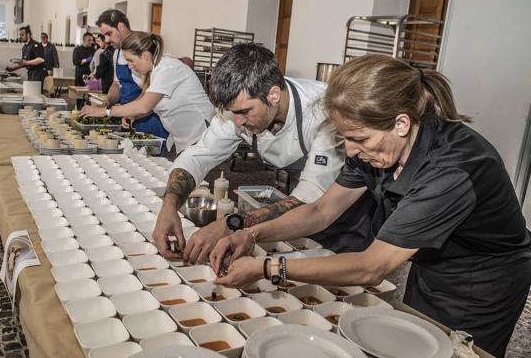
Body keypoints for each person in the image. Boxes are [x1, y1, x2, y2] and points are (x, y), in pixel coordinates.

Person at [210, 54, 531, 358]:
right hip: (431, 261)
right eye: (344, 137)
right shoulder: (376, 145)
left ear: (401, 124)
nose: (350, 150)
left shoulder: (451, 171)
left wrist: (268, 268)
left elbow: (371, 267)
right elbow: (322, 211)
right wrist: (251, 234)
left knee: (455, 348)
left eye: (358, 139)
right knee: (413, 342)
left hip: (482, 278)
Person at [152, 43, 376, 264]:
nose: (237, 122)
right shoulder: (237, 110)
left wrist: (231, 224)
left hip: (346, 210)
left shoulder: (322, 112)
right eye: (232, 113)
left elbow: (312, 195)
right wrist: (169, 205)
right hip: (298, 196)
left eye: (244, 112)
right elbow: (199, 155)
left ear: (274, 95)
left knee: (336, 273)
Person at [80, 32, 215, 159]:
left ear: (145, 56)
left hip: (199, 134)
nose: (130, 66)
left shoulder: (168, 68)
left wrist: (105, 111)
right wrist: (133, 115)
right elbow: (150, 105)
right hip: (184, 135)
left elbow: (144, 106)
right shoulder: (156, 70)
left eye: (131, 60)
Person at [92, 9, 168, 140]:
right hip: (129, 116)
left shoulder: (144, 47)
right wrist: (108, 101)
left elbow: (147, 96)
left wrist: (112, 111)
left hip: (148, 118)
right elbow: (117, 83)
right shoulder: (116, 53)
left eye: (109, 33)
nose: (107, 40)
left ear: (120, 26)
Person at [72, 32, 96, 108]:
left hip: (90, 76)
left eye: (91, 40)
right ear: (83, 40)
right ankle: (79, 110)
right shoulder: (77, 50)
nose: (91, 42)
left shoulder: (93, 50)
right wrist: (86, 60)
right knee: (80, 96)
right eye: (89, 40)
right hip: (80, 75)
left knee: (90, 96)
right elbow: (75, 62)